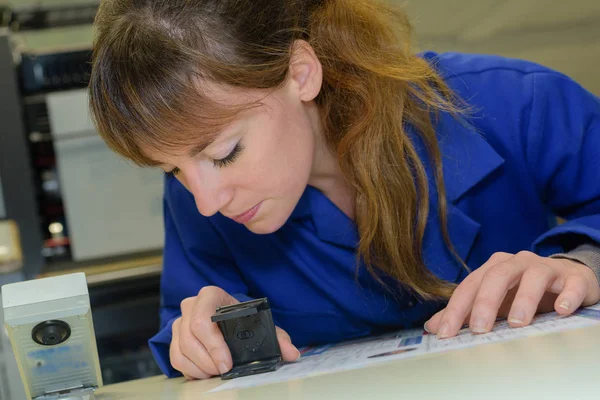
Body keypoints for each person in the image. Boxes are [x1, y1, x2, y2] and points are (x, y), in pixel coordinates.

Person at [88, 0, 600, 380]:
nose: (206, 201)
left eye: (225, 152)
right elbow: (188, 323)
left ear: (301, 73)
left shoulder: (513, 101)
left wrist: (583, 265)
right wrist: (206, 338)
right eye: (171, 169)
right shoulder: (198, 197)